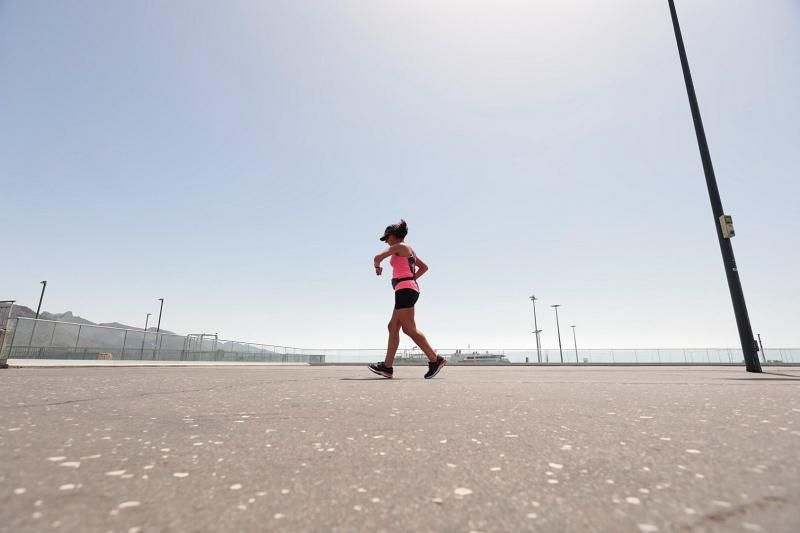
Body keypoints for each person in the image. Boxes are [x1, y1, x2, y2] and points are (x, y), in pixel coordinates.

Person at [368, 219, 447, 379]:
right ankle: (387, 367)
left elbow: (377, 257)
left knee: (409, 329)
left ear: (395, 236)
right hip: (406, 288)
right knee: (393, 327)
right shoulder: (408, 249)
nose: (387, 242)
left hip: (405, 290)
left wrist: (378, 267)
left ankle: (435, 359)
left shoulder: (400, 247)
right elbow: (424, 268)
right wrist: (409, 279)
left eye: (387, 238)